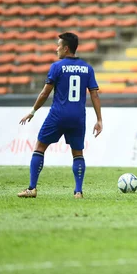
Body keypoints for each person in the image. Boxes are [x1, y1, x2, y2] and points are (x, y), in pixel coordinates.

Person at [17, 32, 103, 199]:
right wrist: (99, 119)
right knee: (78, 153)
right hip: (78, 117)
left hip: (58, 115)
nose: (56, 49)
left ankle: (32, 188)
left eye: (58, 46)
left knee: (40, 147)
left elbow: (44, 93)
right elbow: (95, 95)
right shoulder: (87, 68)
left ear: (66, 48)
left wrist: (33, 111)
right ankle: (78, 191)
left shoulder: (57, 67)